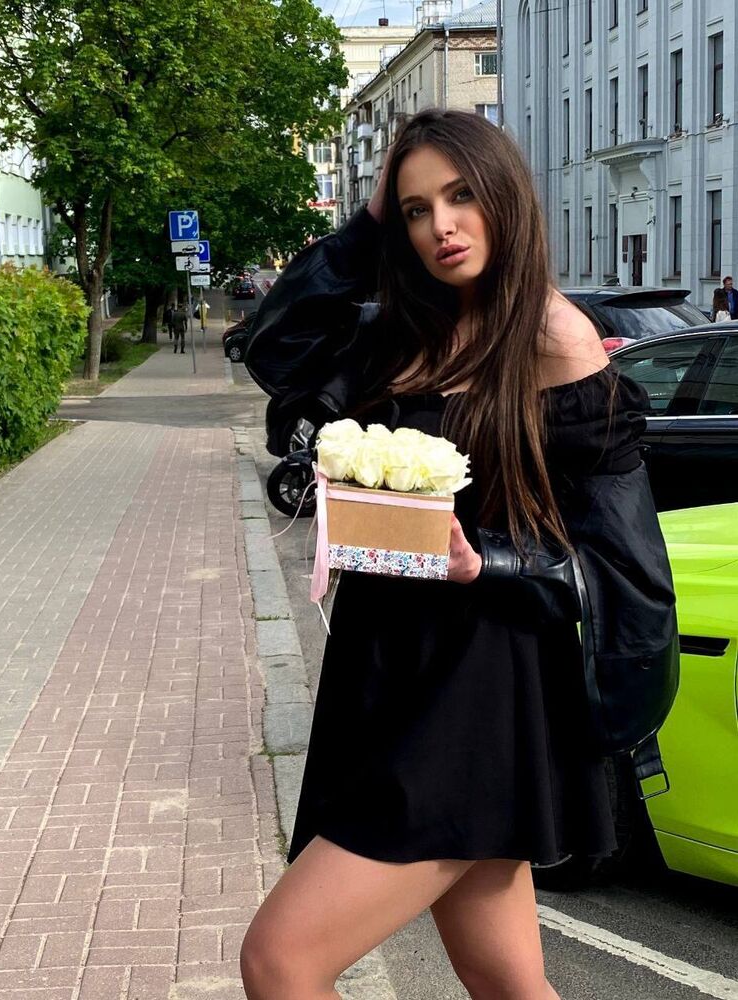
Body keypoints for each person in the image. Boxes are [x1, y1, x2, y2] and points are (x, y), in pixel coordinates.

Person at [241, 110, 675, 1000]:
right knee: (508, 983)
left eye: (462, 195)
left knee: (280, 960)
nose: (441, 225)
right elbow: (274, 346)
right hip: (385, 664)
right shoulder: (405, 329)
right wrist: (363, 227)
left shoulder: (555, 341)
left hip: (478, 686)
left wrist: (488, 562)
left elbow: (628, 572)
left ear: (504, 197)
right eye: (415, 209)